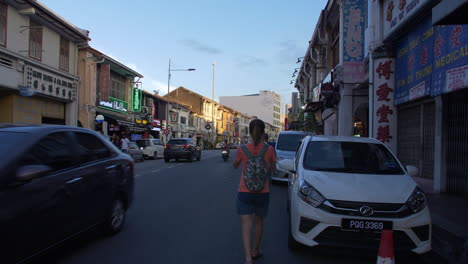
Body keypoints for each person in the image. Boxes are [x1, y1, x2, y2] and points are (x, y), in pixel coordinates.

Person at [233, 119, 276, 264]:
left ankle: (248, 258)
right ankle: (255, 251)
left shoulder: (242, 149)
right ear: (264, 132)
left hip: (245, 191)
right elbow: (274, 169)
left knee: (246, 225)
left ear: (249, 132)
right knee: (258, 222)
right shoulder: (269, 149)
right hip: (263, 192)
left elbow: (235, 165)